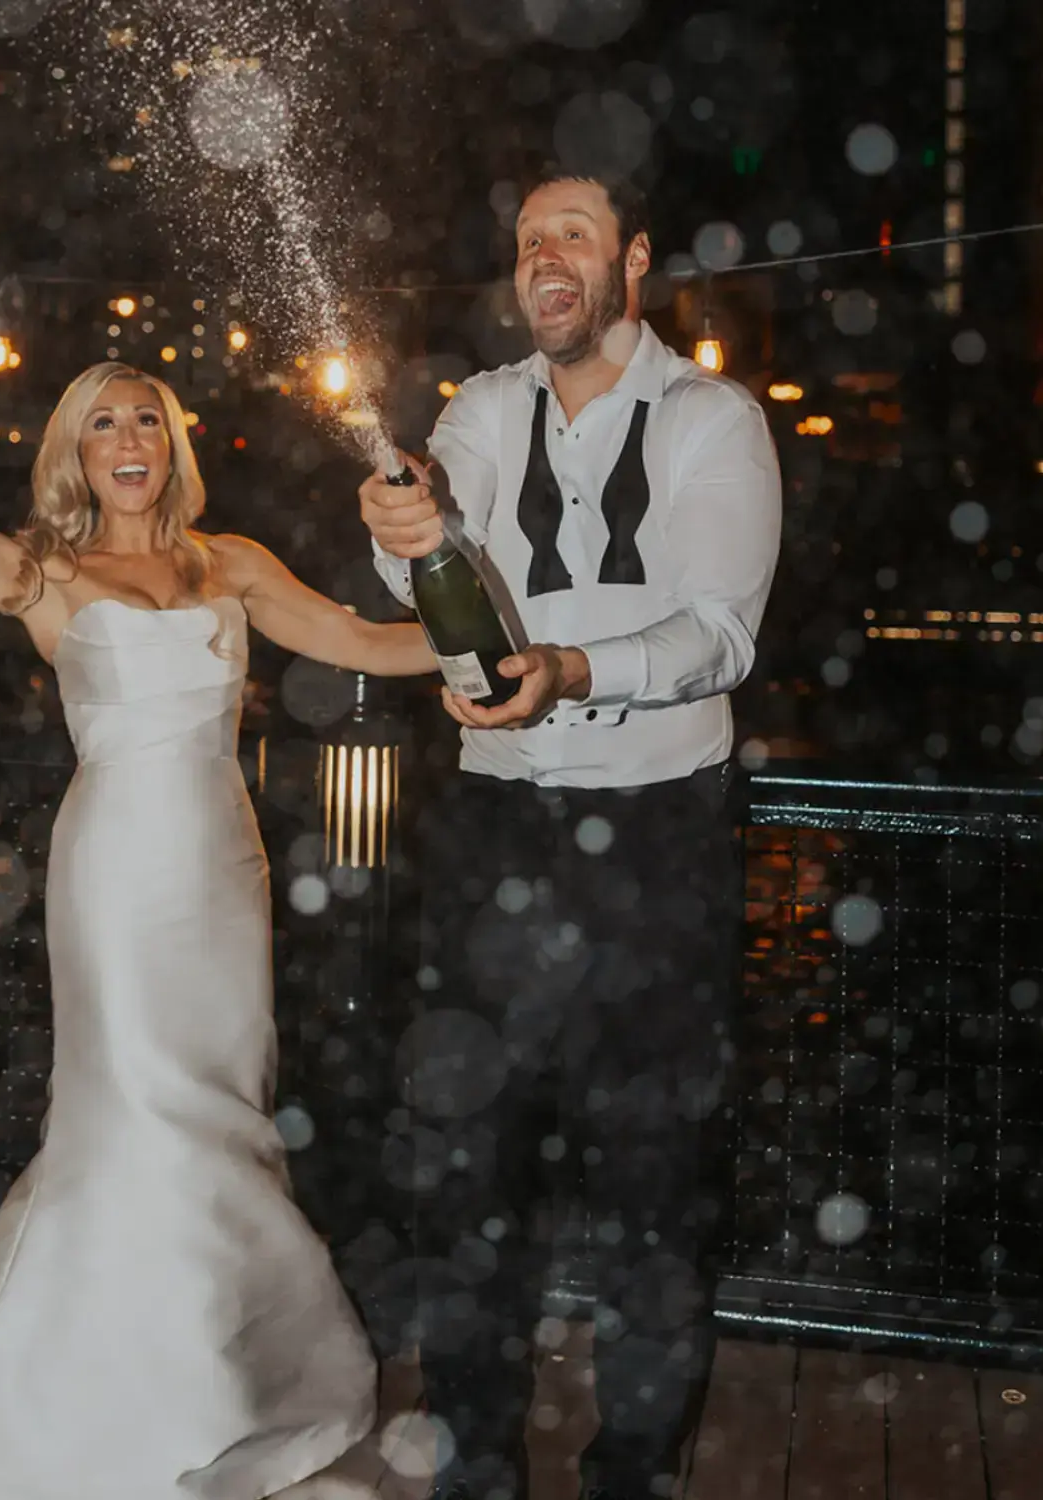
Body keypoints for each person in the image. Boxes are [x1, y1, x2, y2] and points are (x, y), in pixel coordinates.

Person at [0, 285, 437, 1500]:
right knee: (127, 1114)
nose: (127, 441)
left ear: (173, 445)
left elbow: (371, 643)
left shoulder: (233, 565)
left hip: (223, 873)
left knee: (222, 1112)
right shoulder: (50, 575)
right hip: (113, 876)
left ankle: (219, 1374)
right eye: (103, 424)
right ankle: (75, 1399)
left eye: (146, 420)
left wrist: (503, 647)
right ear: (76, 453)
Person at [359, 165, 782, 1500]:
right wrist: (403, 528)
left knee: (655, 1196)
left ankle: (634, 1477)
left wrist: (573, 672)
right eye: (529, 237)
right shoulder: (482, 408)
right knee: (466, 1181)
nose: (545, 256)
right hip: (496, 839)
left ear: (633, 259)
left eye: (575, 234)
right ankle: (474, 1468)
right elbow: (436, 554)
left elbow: (719, 634)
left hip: (658, 850)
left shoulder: (713, 419)